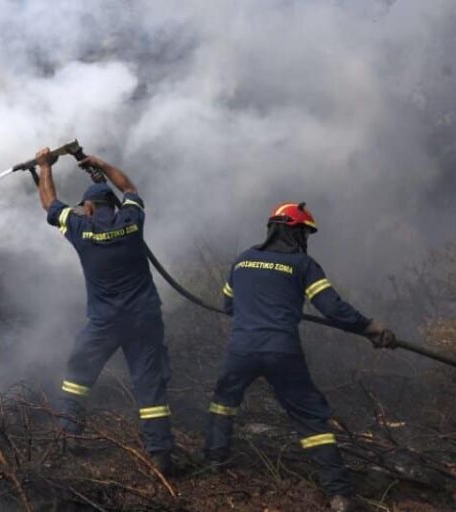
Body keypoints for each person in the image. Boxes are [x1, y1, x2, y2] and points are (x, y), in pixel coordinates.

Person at [204, 202, 396, 512]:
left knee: (223, 402)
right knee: (311, 419)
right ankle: (340, 496)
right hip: (282, 351)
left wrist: (260, 306)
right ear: (294, 231)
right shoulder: (303, 264)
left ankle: (214, 461)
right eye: (304, 232)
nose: (305, 239)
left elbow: (228, 306)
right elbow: (333, 309)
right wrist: (372, 328)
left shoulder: (242, 261)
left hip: (241, 350)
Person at [35, 147, 174, 473]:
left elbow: (49, 204)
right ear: (112, 205)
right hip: (144, 318)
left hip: (105, 322)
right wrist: (101, 164)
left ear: (88, 207)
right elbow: (130, 189)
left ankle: (70, 435)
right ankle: (162, 454)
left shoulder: (82, 228)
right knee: (150, 383)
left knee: (78, 376)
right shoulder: (131, 219)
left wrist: (44, 167)